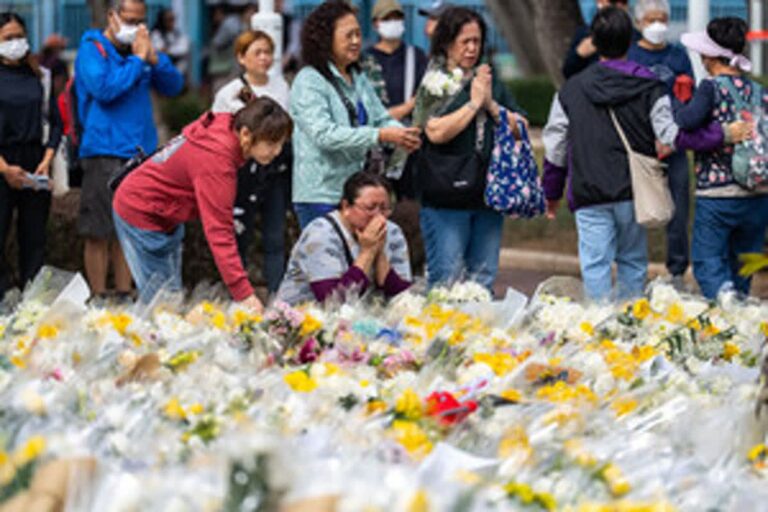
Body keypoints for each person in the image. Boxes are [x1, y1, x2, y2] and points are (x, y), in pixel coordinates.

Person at [542, 7, 748, 302]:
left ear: (595, 43)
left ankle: (599, 323)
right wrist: (722, 134)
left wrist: (552, 192)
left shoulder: (570, 90)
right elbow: (672, 135)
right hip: (633, 189)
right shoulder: (650, 85)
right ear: (630, 40)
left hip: (588, 190)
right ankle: (630, 321)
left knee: (596, 264)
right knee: (632, 261)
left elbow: (555, 146)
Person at [113, 96, 293, 311]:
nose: (277, 151)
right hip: (141, 210)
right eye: (271, 144)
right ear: (246, 134)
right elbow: (219, 231)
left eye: (281, 144)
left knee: (168, 298)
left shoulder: (227, 127)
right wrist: (244, 293)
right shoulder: (217, 161)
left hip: (165, 212)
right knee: (163, 306)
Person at [74, 0, 184, 301]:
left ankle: (124, 292)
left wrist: (154, 59)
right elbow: (104, 89)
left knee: (132, 226)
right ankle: (99, 295)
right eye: (130, 20)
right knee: (99, 229)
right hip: (104, 149)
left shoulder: (142, 51)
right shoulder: (92, 50)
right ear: (112, 16)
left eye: (140, 21)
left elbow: (174, 86)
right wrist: (137, 61)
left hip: (139, 152)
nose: (135, 27)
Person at [413, 7, 525, 292]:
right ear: (447, 43)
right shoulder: (435, 83)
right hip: (445, 196)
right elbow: (435, 132)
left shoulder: (488, 81)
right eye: (465, 41)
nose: (472, 48)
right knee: (446, 280)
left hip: (487, 194)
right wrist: (473, 105)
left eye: (477, 41)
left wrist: (491, 105)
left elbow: (520, 126)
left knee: (483, 280)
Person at [289, 0, 421, 229]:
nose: (356, 41)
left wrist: (404, 134)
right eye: (348, 35)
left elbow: (380, 117)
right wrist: (379, 135)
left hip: (357, 194)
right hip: (321, 195)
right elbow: (324, 135)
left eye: (358, 34)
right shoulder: (309, 80)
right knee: (327, 253)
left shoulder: (358, 77)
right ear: (325, 38)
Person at [675, 18, 768, 299]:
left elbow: (686, 122)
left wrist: (677, 101)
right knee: (742, 265)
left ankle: (727, 302)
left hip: (718, 194)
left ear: (710, 56)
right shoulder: (758, 91)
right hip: (758, 194)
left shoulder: (711, 88)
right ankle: (740, 316)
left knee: (707, 261)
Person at [213, 30, 292, 296]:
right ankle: (236, 296)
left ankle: (278, 297)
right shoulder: (229, 93)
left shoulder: (282, 86)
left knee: (275, 236)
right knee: (239, 235)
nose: (264, 58)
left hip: (275, 170)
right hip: (242, 172)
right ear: (241, 57)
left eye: (268, 52)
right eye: (257, 52)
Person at [628, 0, 695, 286]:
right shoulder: (631, 55)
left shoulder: (678, 55)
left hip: (673, 146)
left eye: (663, 19)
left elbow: (687, 99)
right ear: (639, 23)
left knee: (678, 209)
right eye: (651, 19)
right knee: (634, 210)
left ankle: (677, 270)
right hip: (640, 147)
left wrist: (671, 138)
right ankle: (633, 269)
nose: (658, 25)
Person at [0, 13, 62, 300]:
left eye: (19, 37)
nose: (15, 43)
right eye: (8, 38)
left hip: (36, 162)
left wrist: (46, 160)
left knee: (34, 238)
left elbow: (56, 122)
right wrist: (5, 169)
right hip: (3, 162)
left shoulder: (41, 76)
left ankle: (31, 302)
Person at [277, 171, 411, 305]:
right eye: (370, 208)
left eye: (384, 208)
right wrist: (368, 251)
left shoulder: (392, 231)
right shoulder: (321, 233)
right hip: (305, 313)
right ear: (346, 206)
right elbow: (332, 301)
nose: (379, 216)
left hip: (367, 315)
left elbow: (404, 297)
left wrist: (380, 253)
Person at [363, 0, 428, 122]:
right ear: (375, 23)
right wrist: (405, 108)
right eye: (386, 19)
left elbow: (425, 95)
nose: (393, 22)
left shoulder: (416, 56)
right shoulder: (365, 59)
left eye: (397, 18)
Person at [562, 0, 632, 79]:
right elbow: (568, 72)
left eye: (604, 2)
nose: (599, 5)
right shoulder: (585, 34)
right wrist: (578, 55)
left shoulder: (633, 37)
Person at [150, 7, 190, 76]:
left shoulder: (178, 34)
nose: (171, 22)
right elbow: (158, 49)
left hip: (177, 70)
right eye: (168, 20)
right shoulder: (156, 34)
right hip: (161, 70)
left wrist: (168, 51)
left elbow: (183, 49)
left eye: (173, 19)